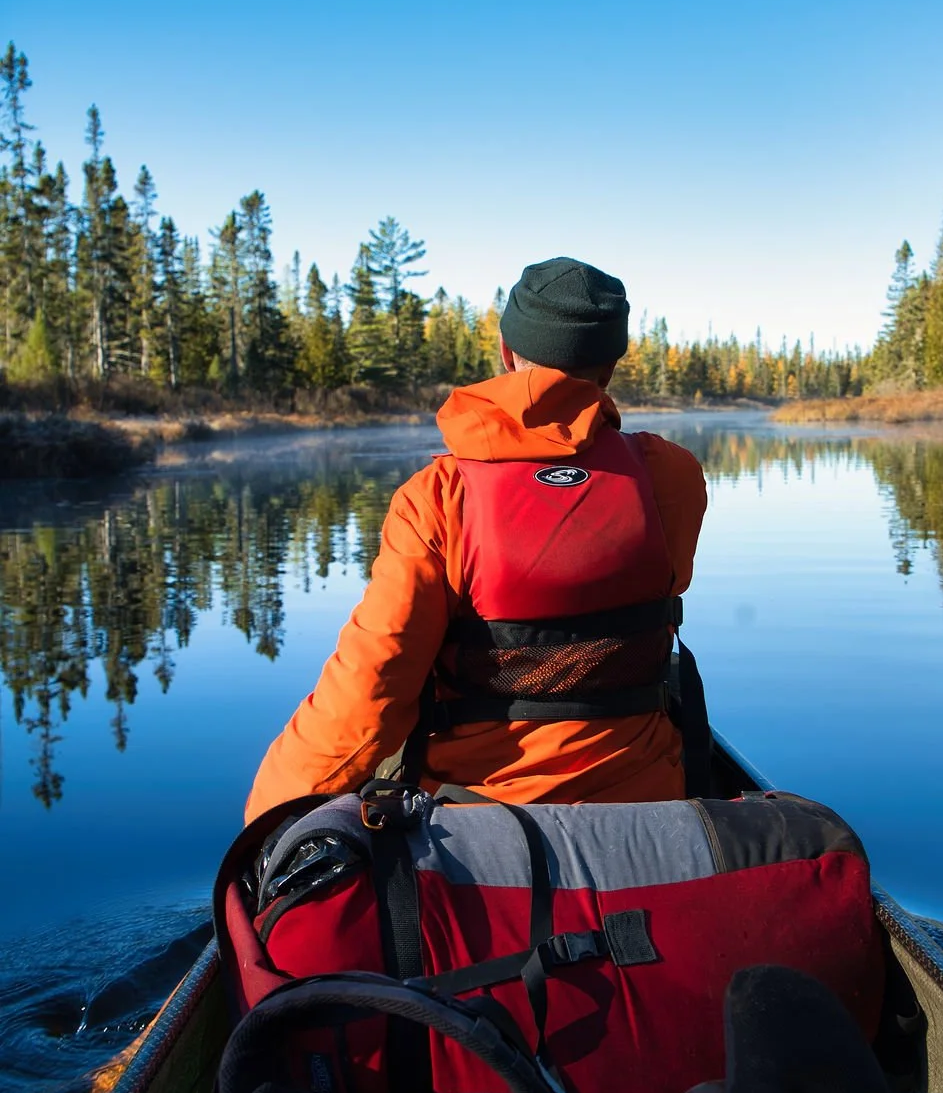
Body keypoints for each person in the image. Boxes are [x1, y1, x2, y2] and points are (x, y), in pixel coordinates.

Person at [245, 258, 707, 823]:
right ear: (611, 365)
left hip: (476, 827)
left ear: (508, 354)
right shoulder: (672, 476)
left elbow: (366, 700)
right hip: (650, 812)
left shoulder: (438, 497)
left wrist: (264, 829)